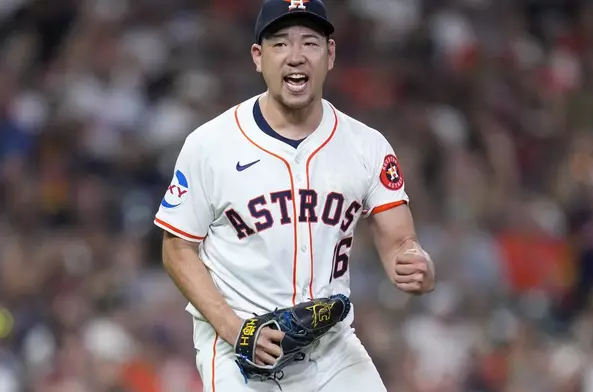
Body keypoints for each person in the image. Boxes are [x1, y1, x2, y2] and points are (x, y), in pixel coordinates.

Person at [153, 0, 435, 390]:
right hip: (238, 348)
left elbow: (400, 240)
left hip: (330, 348)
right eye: (281, 44)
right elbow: (176, 248)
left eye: (311, 43)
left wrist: (414, 261)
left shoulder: (367, 145)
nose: (296, 56)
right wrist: (235, 330)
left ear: (331, 54)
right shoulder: (211, 144)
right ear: (258, 56)